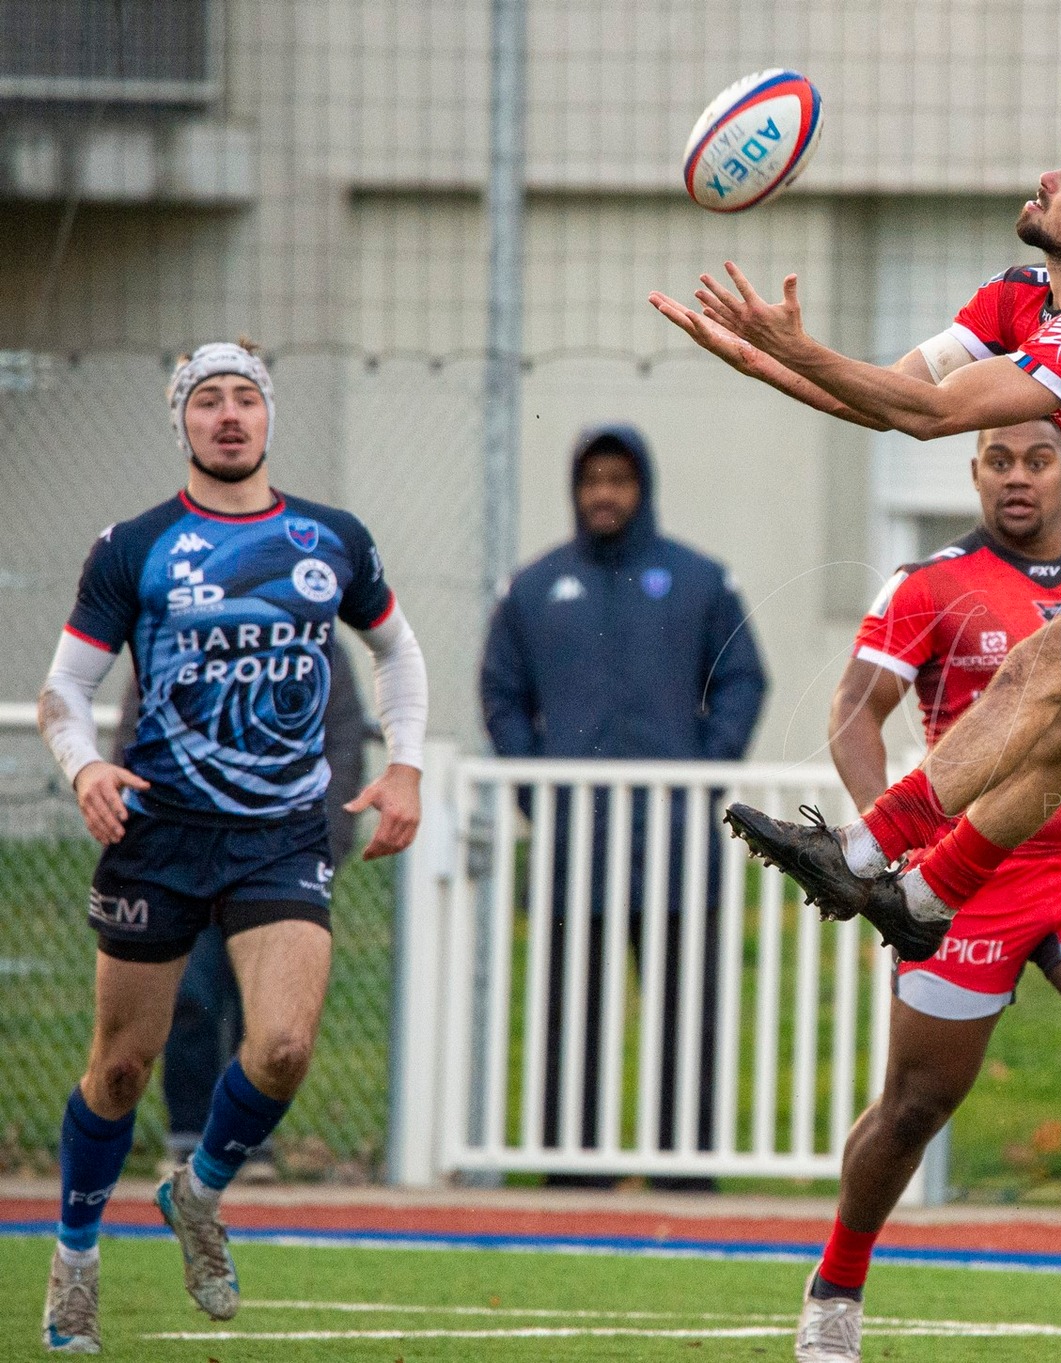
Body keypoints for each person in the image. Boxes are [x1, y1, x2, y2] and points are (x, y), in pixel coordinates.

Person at [650, 127, 1061, 975]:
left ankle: (862, 853)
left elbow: (926, 416)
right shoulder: (1018, 297)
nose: (1046, 178)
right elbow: (894, 399)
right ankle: (927, 902)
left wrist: (797, 349)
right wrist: (763, 360)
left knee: (1042, 666)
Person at [799, 418, 1061, 1362]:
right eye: (999, 460)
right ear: (974, 470)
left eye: (1037, 459)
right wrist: (891, 847)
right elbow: (855, 713)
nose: (1018, 478)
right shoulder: (928, 584)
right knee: (914, 1104)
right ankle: (835, 1286)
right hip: (966, 879)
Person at [35, 341, 427, 1352]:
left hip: (279, 833)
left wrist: (406, 764)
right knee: (122, 1068)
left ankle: (196, 1192)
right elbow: (62, 692)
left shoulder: (330, 537)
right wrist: (85, 768)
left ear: (268, 416)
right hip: (158, 832)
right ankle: (74, 1258)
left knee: (285, 1047)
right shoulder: (135, 546)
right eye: (206, 400)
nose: (227, 415)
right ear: (182, 422)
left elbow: (396, 647)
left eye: (244, 397)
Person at [480, 424, 767, 1182]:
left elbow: (743, 678)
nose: (604, 494)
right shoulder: (536, 587)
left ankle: (684, 1171)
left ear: (642, 489)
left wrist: (707, 769)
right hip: (573, 850)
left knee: (687, 1014)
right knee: (569, 1014)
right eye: (591, 480)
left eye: (619, 479)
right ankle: (572, 1171)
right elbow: (501, 693)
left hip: (678, 849)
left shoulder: (701, 581)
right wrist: (537, 787)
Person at [117, 643, 367, 1183]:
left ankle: (246, 1145)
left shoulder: (316, 637)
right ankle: (187, 1136)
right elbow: (133, 741)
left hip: (276, 864)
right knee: (191, 998)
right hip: (186, 859)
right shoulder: (174, 629)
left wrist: (323, 846)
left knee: (270, 1020)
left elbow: (343, 748)